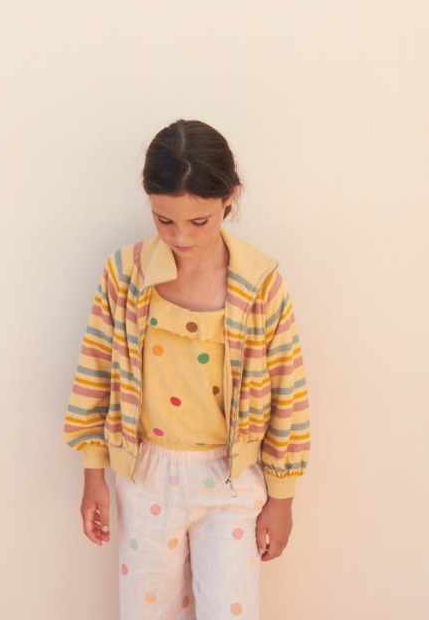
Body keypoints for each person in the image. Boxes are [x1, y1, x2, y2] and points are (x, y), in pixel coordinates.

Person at [63, 119, 310, 619]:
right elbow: (95, 372)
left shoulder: (260, 284)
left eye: (199, 221)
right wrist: (94, 473)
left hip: (232, 479)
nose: (181, 236)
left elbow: (288, 391)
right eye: (164, 220)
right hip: (144, 475)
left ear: (230, 197)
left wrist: (282, 497)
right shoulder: (124, 275)